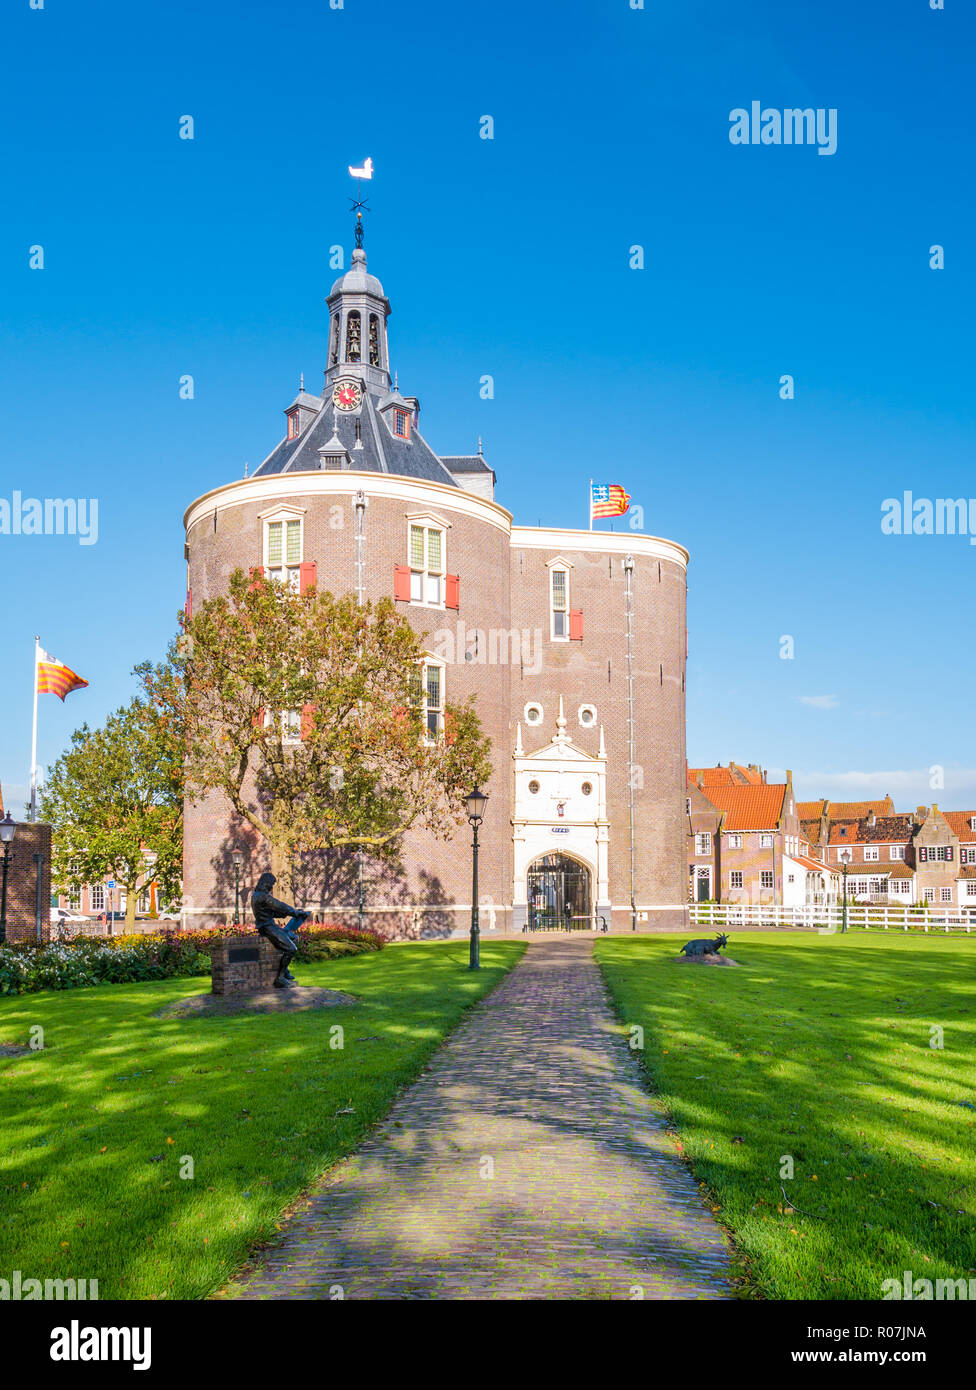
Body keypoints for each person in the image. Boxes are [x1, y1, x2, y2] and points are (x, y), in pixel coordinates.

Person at [250, 872, 309, 988]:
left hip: (269, 926)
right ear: (266, 883)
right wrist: (295, 912)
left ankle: (285, 969)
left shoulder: (257, 895)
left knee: (294, 938)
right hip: (267, 928)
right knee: (291, 949)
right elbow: (280, 905)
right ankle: (280, 978)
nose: (271, 887)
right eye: (271, 884)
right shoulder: (262, 896)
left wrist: (286, 914)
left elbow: (271, 911)